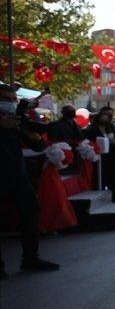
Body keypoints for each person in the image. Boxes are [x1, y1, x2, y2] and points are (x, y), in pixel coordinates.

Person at [0, 84, 59, 277]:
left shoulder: (17, 120)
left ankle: (30, 258)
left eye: (12, 99)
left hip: (17, 173)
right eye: (6, 99)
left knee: (31, 212)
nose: (10, 103)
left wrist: (30, 133)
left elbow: (37, 142)